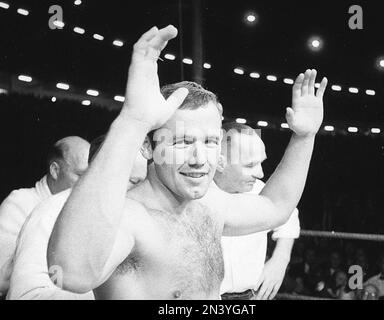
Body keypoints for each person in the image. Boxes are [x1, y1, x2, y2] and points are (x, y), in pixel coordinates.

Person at [47, 25, 328, 299]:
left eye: (209, 142)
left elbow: (275, 207)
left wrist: (303, 137)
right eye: (182, 142)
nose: (199, 160)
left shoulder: (209, 206)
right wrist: (132, 121)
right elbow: (72, 274)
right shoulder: (130, 218)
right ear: (148, 147)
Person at [6, 135, 150, 300]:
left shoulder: (137, 218)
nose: (142, 192)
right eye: (134, 182)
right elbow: (27, 295)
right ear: (99, 172)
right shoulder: (52, 212)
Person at [215, 122, 300, 300]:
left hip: (252, 296)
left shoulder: (260, 190)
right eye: (250, 165)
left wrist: (280, 260)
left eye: (261, 163)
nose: (260, 173)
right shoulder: (195, 194)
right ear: (220, 162)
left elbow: (290, 215)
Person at [0, 136, 90, 297]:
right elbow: (2, 278)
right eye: (81, 175)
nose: (88, 183)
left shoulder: (84, 210)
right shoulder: (20, 203)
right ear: (55, 170)